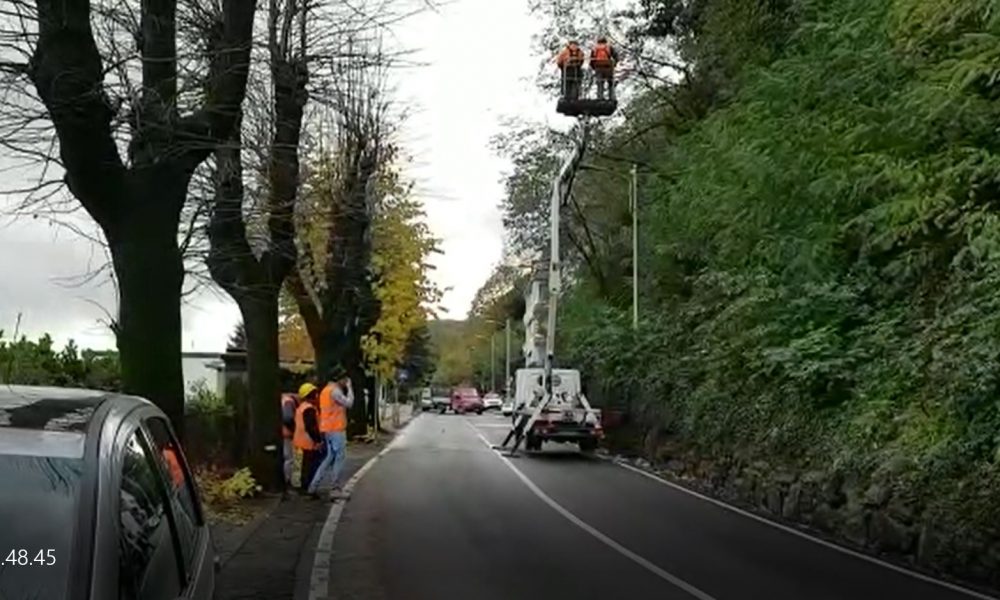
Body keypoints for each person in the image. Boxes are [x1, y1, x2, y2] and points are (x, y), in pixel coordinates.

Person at [307, 367, 354, 500]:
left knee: (329, 458)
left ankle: (313, 486)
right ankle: (335, 489)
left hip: (327, 428)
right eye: (344, 379)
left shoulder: (325, 391)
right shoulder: (335, 392)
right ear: (339, 379)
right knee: (339, 457)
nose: (346, 381)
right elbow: (349, 403)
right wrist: (350, 388)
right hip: (335, 429)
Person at [293, 383, 324, 493]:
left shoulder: (302, 407)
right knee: (309, 465)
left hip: (301, 440)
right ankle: (308, 486)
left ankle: (304, 485)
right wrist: (318, 440)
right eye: (314, 393)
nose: (316, 395)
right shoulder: (309, 409)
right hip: (308, 441)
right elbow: (311, 427)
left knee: (305, 464)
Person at [590, 36, 619, 101]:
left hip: (598, 67)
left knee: (600, 83)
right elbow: (616, 56)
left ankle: (600, 97)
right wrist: (614, 64)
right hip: (608, 67)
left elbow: (592, 60)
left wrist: (594, 67)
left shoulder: (595, 48)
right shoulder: (609, 47)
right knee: (610, 83)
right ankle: (612, 97)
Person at [280, 391, 299, 488]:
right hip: (286, 433)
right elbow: (288, 418)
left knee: (283, 457)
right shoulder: (289, 401)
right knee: (289, 459)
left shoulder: (281, 399)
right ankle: (287, 481)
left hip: (279, 433)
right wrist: (294, 428)